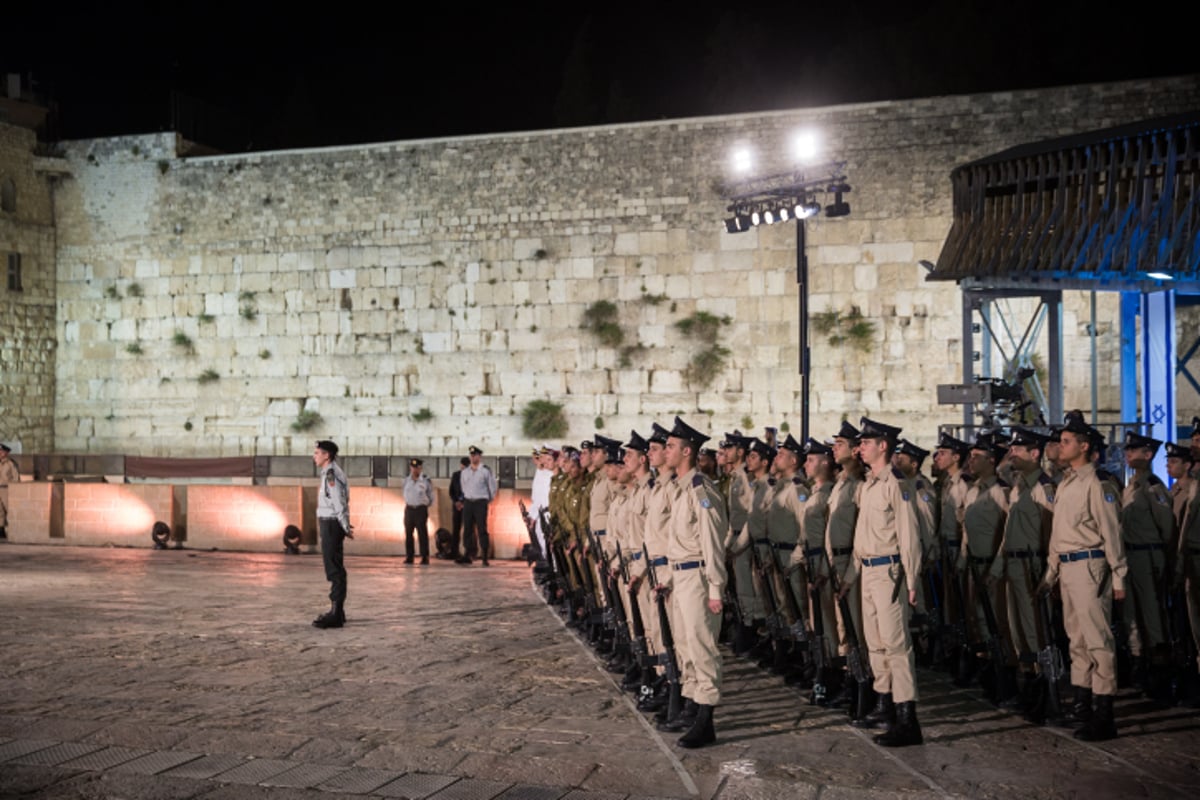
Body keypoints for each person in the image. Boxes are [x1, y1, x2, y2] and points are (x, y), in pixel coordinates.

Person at [1037, 414, 1126, 741]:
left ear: (1084, 446)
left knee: (1097, 640)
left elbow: (1111, 532)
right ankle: (1083, 707)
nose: (1060, 447)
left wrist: (1118, 576)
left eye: (1066, 441)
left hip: (1091, 565)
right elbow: (1058, 535)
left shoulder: (1097, 483)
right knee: (1076, 640)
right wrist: (1051, 574)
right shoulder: (1067, 483)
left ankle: (1105, 714)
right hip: (1069, 568)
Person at [844, 417, 924, 747]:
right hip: (869, 571)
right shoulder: (869, 484)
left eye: (865, 442)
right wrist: (851, 576)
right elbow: (861, 539)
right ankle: (885, 703)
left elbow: (909, 535)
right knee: (875, 643)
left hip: (890, 570)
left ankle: (908, 719)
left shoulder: (896, 483)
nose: (859, 447)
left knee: (896, 645)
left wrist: (912, 578)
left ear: (883, 446)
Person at [660, 416, 729, 748]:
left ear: (687, 451)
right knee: (686, 645)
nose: (666, 451)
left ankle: (706, 718)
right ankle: (691, 705)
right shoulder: (679, 488)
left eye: (671, 446)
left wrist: (715, 587)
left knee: (702, 647)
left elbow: (713, 541)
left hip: (699, 577)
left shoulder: (702, 489)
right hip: (681, 575)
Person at [313, 440, 352, 629]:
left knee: (334, 568)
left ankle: (336, 613)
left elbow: (339, 501)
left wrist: (344, 525)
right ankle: (339, 611)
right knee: (334, 566)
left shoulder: (331, 474)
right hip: (330, 522)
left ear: (326, 455)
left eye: (317, 453)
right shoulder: (330, 472)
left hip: (331, 523)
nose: (314, 456)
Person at [458, 446, 498, 566]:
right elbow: (463, 486)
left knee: (482, 529)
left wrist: (487, 500)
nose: (473, 457)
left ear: (479, 456)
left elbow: (492, 487)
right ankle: (467, 554)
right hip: (469, 502)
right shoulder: (465, 472)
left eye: (475, 455)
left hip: (480, 502)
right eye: (471, 455)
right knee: (467, 530)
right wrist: (467, 498)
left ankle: (484, 556)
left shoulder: (485, 471)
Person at [402, 458, 434, 565]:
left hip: (420, 509)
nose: (415, 470)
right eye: (413, 467)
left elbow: (430, 496)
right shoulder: (406, 480)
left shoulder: (425, 481)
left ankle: (424, 557)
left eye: (417, 468)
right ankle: (409, 556)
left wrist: (424, 505)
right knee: (408, 534)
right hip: (409, 509)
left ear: (420, 468)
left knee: (422, 534)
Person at [445, 457, 469, 560]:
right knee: (456, 529)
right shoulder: (456, 475)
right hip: (457, 506)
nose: (463, 467)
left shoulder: (472, 476)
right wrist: (456, 502)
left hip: (467, 506)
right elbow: (451, 491)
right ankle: (454, 551)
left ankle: (469, 552)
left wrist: (463, 502)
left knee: (468, 530)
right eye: (462, 465)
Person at [0, 443, 19, 539]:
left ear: (6, 453)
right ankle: (1, 530)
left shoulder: (10, 463)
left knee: (9, 509)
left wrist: (14, 488)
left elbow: (16, 477)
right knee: (0, 511)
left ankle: (14, 529)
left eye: (2, 451)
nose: (0, 453)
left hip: (6, 488)